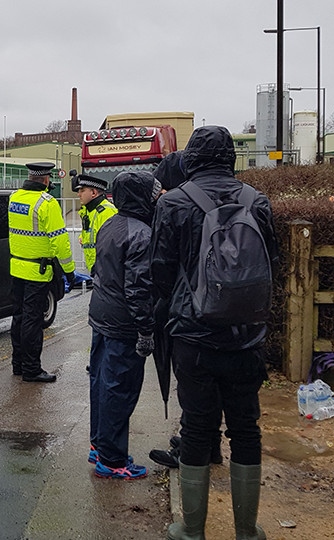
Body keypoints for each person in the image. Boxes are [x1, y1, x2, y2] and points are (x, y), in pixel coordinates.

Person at [150, 126, 278, 540]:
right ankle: (246, 530)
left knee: (197, 427)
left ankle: (193, 529)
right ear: (231, 159)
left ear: (192, 159)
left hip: (193, 336)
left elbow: (160, 272)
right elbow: (272, 264)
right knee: (245, 427)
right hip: (246, 335)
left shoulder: (173, 203)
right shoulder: (257, 202)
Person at [148, 150, 224, 470]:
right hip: (232, 310)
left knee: (192, 386)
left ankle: (194, 448)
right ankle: (209, 444)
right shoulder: (241, 198)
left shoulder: (175, 206)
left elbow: (161, 268)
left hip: (190, 312)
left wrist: (169, 302)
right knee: (216, 386)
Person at [86, 170, 160, 480]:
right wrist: (145, 329)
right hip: (123, 324)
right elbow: (138, 288)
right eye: (153, 193)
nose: (156, 198)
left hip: (101, 316)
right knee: (120, 389)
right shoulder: (141, 233)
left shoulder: (110, 224)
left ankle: (100, 446)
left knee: (101, 382)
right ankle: (113, 459)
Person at [8, 162, 75, 383]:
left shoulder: (15, 198)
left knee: (18, 318)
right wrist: (70, 271)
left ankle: (18, 364)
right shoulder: (47, 203)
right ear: (46, 179)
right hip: (38, 271)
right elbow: (60, 242)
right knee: (32, 321)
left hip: (17, 267)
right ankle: (32, 369)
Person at [74, 174, 117, 272]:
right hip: (97, 269)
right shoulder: (88, 210)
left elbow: (112, 245)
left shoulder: (106, 212)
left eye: (82, 191)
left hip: (107, 269)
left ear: (93, 193)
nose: (78, 194)